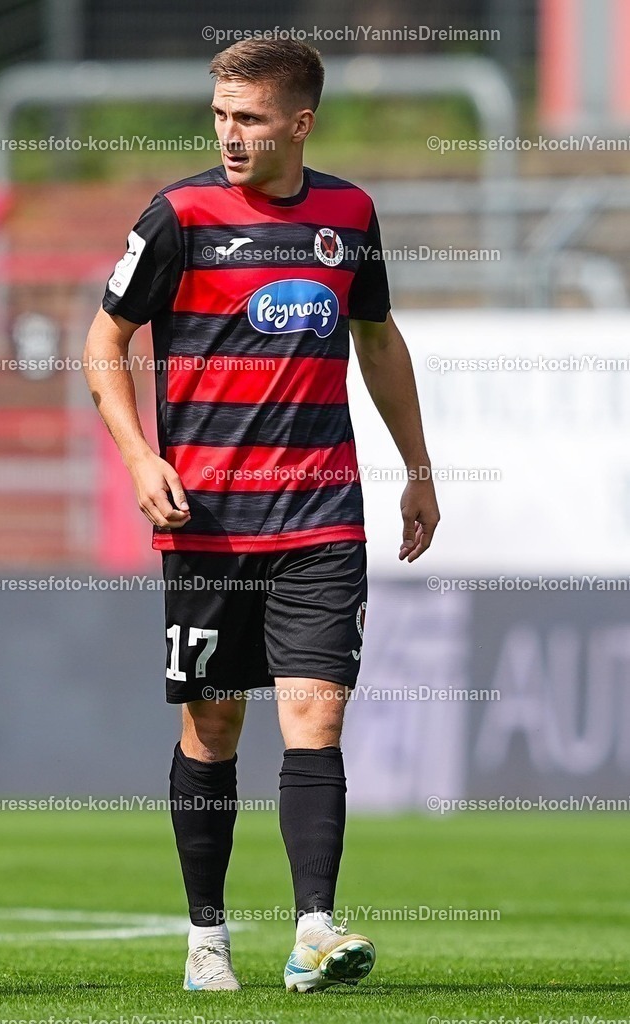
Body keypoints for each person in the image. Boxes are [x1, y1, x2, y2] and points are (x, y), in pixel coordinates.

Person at [83, 37, 439, 993]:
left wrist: (418, 467)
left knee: (314, 718)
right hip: (208, 525)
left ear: (298, 123)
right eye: (219, 116)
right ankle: (207, 938)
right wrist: (138, 453)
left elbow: (376, 335)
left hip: (321, 516)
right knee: (214, 726)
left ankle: (313, 932)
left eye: (247, 117)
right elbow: (104, 341)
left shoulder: (348, 215)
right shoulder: (181, 216)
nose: (229, 135)